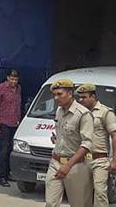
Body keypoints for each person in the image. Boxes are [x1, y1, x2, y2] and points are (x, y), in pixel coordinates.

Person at [45, 79, 93, 207]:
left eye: (59, 94)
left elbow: (87, 144)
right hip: (55, 161)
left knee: (79, 203)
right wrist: (58, 139)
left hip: (75, 165)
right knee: (50, 203)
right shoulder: (59, 111)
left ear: (70, 93)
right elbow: (63, 133)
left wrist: (68, 165)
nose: (56, 98)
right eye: (54, 95)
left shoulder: (83, 114)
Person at [76, 83, 116, 207]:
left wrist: (115, 160)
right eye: (79, 97)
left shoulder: (105, 112)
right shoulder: (79, 112)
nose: (80, 100)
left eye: (84, 97)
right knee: (82, 194)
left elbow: (115, 136)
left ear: (93, 96)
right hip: (82, 159)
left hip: (99, 159)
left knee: (100, 192)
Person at [0, 69, 22, 187]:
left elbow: (18, 105)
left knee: (11, 149)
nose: (14, 82)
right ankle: (1, 176)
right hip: (3, 122)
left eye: (16, 79)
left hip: (15, 122)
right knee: (3, 150)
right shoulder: (0, 88)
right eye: (12, 79)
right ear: (7, 78)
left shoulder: (18, 88)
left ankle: (8, 173)